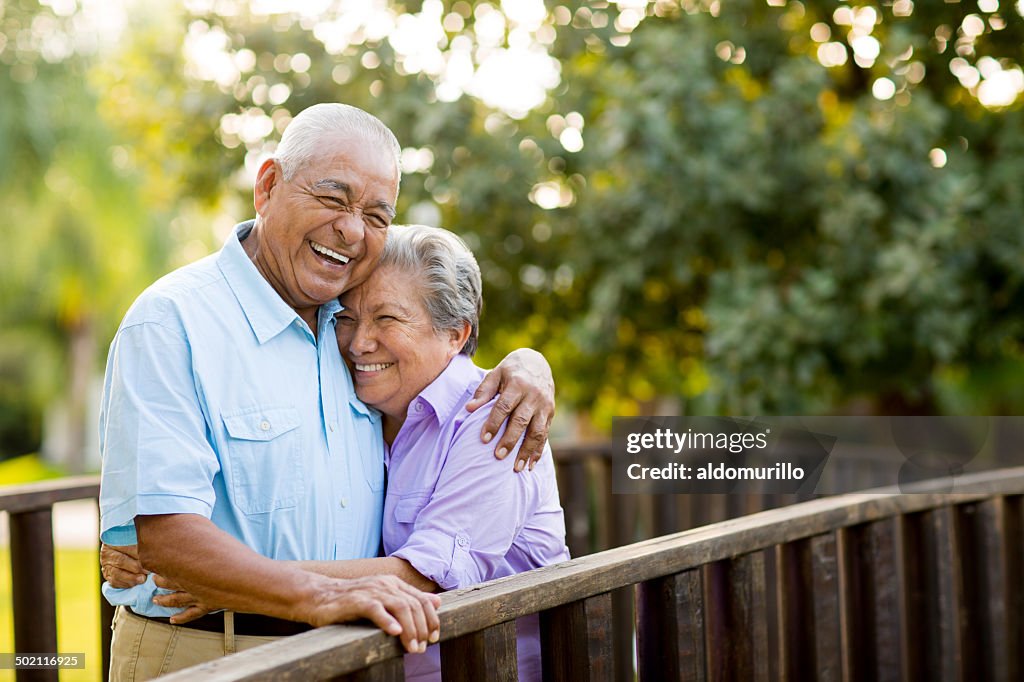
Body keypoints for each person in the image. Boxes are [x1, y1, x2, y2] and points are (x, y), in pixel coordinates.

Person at [98, 103, 555, 679]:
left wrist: (529, 365)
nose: (352, 230)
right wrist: (310, 593)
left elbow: (434, 350)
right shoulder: (172, 321)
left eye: (376, 215)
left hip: (354, 653)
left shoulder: (347, 328)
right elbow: (168, 541)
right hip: (212, 652)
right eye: (334, 198)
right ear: (267, 186)